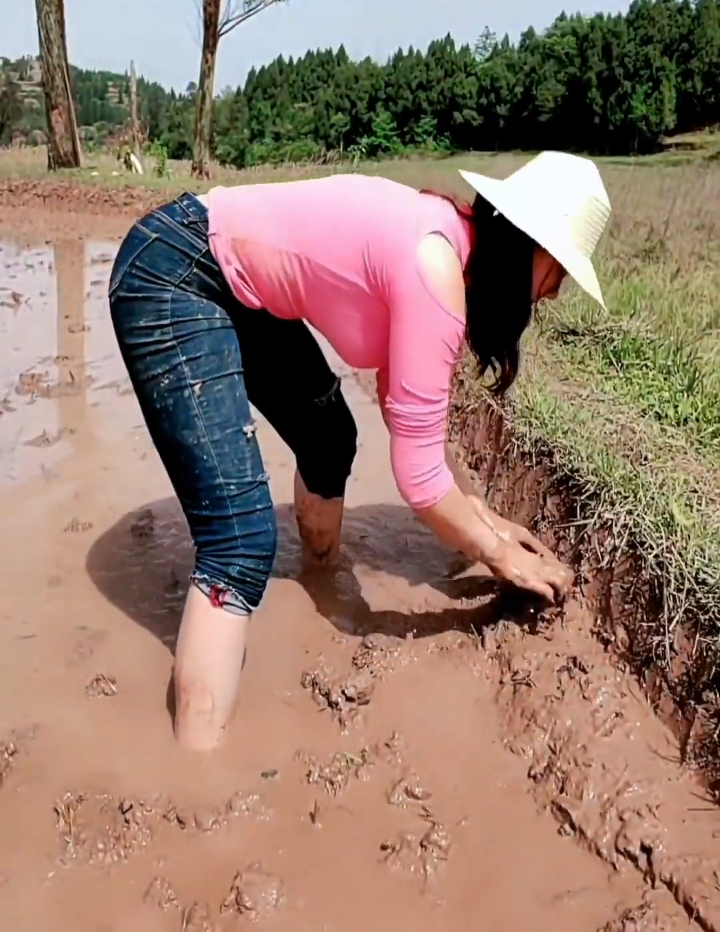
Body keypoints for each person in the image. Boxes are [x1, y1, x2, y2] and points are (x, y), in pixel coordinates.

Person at [109, 150, 611, 751]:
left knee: (328, 435)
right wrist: (502, 557)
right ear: (529, 248)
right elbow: (419, 481)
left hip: (227, 280)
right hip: (173, 269)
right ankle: (197, 769)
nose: (553, 293)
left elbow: (414, 429)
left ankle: (317, 577)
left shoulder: (449, 253)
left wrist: (487, 519)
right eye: (559, 271)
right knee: (238, 542)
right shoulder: (435, 267)